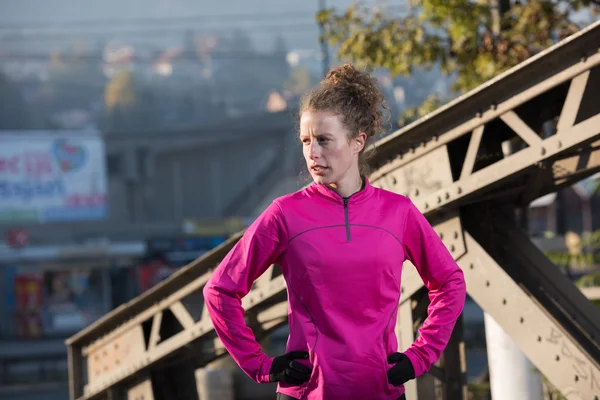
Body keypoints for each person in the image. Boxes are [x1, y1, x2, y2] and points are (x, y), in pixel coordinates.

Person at [203, 63, 467, 400]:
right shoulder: (284, 214)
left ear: (358, 142)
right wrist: (261, 365)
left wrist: (420, 356)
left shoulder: (398, 212)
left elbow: (450, 282)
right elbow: (220, 291)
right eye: (305, 141)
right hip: (307, 393)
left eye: (324, 140)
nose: (312, 153)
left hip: (382, 393)